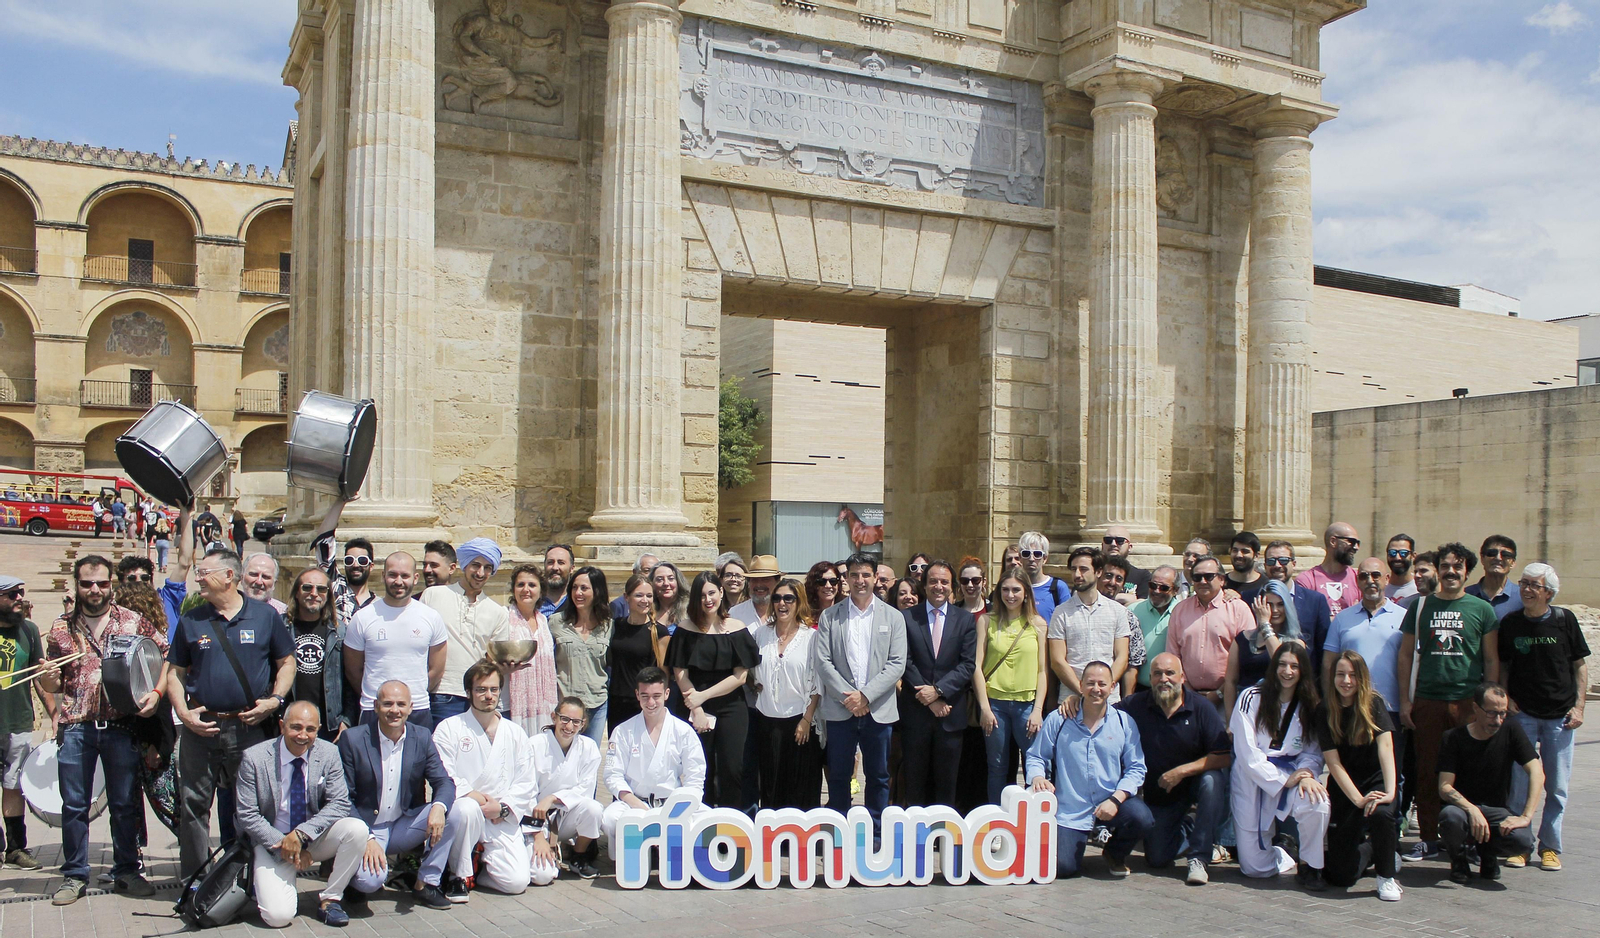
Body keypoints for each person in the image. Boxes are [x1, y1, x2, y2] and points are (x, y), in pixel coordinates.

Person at [36, 557, 166, 904]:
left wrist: (156, 692)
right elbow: (53, 683)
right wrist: (49, 678)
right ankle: (75, 874)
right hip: (76, 727)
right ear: (76, 585)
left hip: (121, 726)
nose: (95, 590)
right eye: (87, 584)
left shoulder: (133, 621)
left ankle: (127, 871)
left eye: (102, 583)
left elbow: (167, 656)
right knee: (74, 805)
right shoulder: (61, 627)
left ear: (112, 584)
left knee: (124, 804)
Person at [167, 548, 295, 881]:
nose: (198, 579)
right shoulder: (192, 619)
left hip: (249, 727)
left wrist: (275, 700)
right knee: (193, 805)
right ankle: (195, 881)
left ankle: (250, 878)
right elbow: (175, 672)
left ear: (228, 576)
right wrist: (183, 712)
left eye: (203, 572)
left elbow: (286, 662)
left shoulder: (265, 617)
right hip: (202, 727)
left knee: (252, 806)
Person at [1397, 541, 1499, 863]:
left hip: (1468, 703)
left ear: (1467, 572)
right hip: (1428, 701)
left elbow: (1491, 659)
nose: (1451, 572)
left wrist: (1489, 705)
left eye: (1457, 567)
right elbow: (1405, 655)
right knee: (1427, 771)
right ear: (1437, 571)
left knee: (1468, 774)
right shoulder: (1421, 607)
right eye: (1445, 566)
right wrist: (1405, 701)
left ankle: (1468, 841)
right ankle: (1428, 839)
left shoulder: (1481, 609)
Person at [236, 701, 368, 927]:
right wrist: (285, 846)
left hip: (312, 836)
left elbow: (339, 803)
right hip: (272, 842)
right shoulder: (254, 758)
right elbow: (247, 814)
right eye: (296, 727)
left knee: (357, 829)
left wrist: (301, 835)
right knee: (278, 917)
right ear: (282, 726)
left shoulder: (329, 753)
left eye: (310, 729)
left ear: (318, 730)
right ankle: (267, 883)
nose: (303, 735)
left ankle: (331, 899)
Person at [1497, 562, 1587, 871]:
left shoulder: (1564, 620)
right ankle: (1520, 845)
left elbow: (1579, 666)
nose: (1526, 589)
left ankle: (1550, 847)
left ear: (1549, 592)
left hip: (1560, 717)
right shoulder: (1511, 623)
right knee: (1519, 785)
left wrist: (1579, 707)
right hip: (1523, 715)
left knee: (1557, 786)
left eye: (1534, 585)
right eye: (1523, 583)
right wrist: (1506, 697)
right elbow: (1504, 665)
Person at [1025, 661, 1152, 878]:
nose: (1096, 689)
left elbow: (1136, 767)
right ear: (1081, 686)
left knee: (1142, 818)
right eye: (1090, 683)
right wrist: (1037, 776)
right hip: (1071, 808)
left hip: (1111, 801)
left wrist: (1116, 800)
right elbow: (1037, 755)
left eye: (1102, 684)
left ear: (1112, 687)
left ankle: (1114, 853)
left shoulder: (1124, 723)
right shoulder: (1059, 719)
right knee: (1064, 868)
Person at [339, 680, 457, 909]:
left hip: (404, 823)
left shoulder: (421, 736)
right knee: (370, 881)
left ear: (411, 708)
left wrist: (438, 807)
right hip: (367, 826)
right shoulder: (353, 739)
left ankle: (426, 884)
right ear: (376, 706)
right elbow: (343, 797)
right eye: (388, 704)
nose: (395, 710)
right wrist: (366, 837)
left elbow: (444, 781)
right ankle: (352, 878)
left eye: (401, 704)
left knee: (456, 812)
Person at [814, 552, 906, 834]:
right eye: (854, 575)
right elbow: (823, 662)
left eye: (866, 574)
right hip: (841, 709)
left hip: (878, 710)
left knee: (878, 775)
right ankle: (839, 831)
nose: (860, 580)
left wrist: (865, 696)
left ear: (876, 577)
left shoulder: (893, 617)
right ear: (847, 579)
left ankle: (877, 832)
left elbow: (896, 663)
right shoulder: (831, 616)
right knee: (839, 776)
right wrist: (849, 698)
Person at [1119, 654, 1230, 884]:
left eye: (1170, 673)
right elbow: (1102, 712)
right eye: (1157, 674)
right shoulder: (1136, 704)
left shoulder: (1201, 708)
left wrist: (1182, 771)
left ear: (1182, 677)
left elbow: (1223, 756)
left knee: (1212, 781)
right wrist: (1076, 701)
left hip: (1195, 787)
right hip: (1161, 797)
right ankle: (1189, 825)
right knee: (1157, 858)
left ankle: (1199, 857)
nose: (1164, 679)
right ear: (1150, 679)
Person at [1230, 642, 1329, 889]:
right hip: (1253, 777)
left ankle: (1310, 866)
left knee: (1317, 802)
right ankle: (1285, 853)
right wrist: (1282, 779)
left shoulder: (1310, 704)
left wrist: (1306, 774)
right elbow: (1247, 753)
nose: (1287, 671)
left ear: (1303, 670)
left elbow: (1312, 752)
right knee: (1254, 868)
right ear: (1274, 667)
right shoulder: (1251, 697)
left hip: (1292, 771)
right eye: (1282, 664)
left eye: (1294, 666)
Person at [434, 662, 535, 898]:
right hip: (465, 810)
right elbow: (443, 773)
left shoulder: (515, 732)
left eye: (493, 689)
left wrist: (502, 808)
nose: (488, 696)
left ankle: (480, 871)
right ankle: (458, 876)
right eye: (481, 689)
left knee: (517, 882)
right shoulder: (449, 728)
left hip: (500, 816)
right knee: (467, 810)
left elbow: (526, 781)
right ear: (468, 692)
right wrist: (476, 798)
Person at [666, 572, 759, 807]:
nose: (708, 600)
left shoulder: (737, 628)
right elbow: (680, 673)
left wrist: (703, 696)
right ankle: (699, 818)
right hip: (693, 706)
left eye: (712, 593)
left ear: (721, 592)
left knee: (732, 768)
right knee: (699, 768)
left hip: (731, 707)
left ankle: (731, 820)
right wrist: (696, 708)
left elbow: (740, 676)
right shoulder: (685, 629)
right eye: (702, 595)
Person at [1437, 682, 1542, 884]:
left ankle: (1488, 854)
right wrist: (1472, 809)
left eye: (1503, 713)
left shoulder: (1511, 730)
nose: (1498, 720)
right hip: (1462, 809)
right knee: (1450, 818)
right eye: (1492, 713)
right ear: (1476, 708)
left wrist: (1526, 817)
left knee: (1523, 841)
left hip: (1496, 810)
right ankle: (1459, 860)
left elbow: (1536, 771)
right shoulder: (1453, 738)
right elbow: (1444, 787)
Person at [1318, 651, 1401, 900]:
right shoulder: (1324, 709)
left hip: (1376, 780)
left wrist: (1390, 792)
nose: (1346, 681)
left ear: (1362, 677)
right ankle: (1374, 849)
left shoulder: (1374, 703)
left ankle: (1386, 877)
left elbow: (1386, 747)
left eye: (1352, 675)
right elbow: (1333, 763)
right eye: (1341, 674)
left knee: (1382, 814)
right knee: (1340, 876)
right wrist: (1357, 799)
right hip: (1346, 786)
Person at [897, 560, 977, 808]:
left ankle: (944, 829)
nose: (938, 586)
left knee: (946, 785)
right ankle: (915, 829)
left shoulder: (965, 620)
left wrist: (939, 691)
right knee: (914, 783)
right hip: (915, 714)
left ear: (952, 586)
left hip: (950, 714)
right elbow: (904, 661)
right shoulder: (907, 618)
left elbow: (967, 665)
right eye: (933, 581)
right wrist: (929, 698)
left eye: (944, 582)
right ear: (924, 584)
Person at [602, 666, 707, 845]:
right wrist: (636, 803)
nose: (651, 702)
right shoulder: (623, 731)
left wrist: (683, 805)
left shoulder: (683, 731)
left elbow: (695, 775)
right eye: (645, 696)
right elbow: (613, 774)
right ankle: (634, 853)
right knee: (609, 819)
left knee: (708, 821)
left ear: (667, 694)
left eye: (656, 696)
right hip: (635, 803)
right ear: (637, 695)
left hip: (673, 804)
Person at [343, 552, 448, 728]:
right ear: (383, 576)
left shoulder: (431, 617)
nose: (398, 581)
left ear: (415, 578)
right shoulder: (362, 618)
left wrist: (413, 694)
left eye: (405, 576)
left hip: (417, 708)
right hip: (373, 708)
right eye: (392, 575)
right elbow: (353, 670)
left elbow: (436, 669)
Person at [973, 567, 1048, 805]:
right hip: (995, 704)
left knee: (1034, 764)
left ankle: (1032, 816)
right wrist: (984, 708)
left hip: (1027, 704)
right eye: (1005, 589)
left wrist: (1038, 710)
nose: (1010, 595)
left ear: (1026, 593)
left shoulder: (1038, 624)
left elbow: (1042, 670)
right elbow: (977, 666)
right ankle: (997, 817)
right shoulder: (987, 621)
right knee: (997, 766)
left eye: (1016, 590)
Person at [422, 538, 512, 722]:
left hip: (475, 698)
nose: (480, 573)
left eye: (487, 568)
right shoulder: (433, 595)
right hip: (439, 693)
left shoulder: (498, 612)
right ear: (464, 565)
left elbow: (492, 661)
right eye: (476, 565)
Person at [750, 579, 822, 809]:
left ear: (799, 602)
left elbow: (818, 683)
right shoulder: (760, 634)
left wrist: (807, 719)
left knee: (800, 790)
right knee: (770, 789)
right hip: (767, 721)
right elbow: (749, 671)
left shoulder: (811, 638)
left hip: (800, 723)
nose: (782, 603)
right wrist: (754, 683)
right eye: (777, 598)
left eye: (788, 598)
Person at [0, 575, 54, 870]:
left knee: (13, 785)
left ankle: (15, 848)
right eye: (11, 594)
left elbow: (39, 677)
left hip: (18, 720)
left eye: (20, 592)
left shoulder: (29, 630)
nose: (19, 598)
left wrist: (54, 714)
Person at [527, 697, 604, 882]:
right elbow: (525, 791)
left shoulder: (589, 748)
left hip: (566, 816)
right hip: (535, 819)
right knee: (542, 876)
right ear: (554, 717)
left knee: (594, 809)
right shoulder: (534, 745)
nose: (569, 726)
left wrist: (552, 799)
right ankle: (540, 846)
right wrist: (538, 836)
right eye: (565, 719)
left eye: (576, 722)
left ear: (583, 724)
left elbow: (585, 790)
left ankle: (578, 855)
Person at [1323, 558, 1407, 719]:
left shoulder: (1403, 617)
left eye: (1376, 575)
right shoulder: (1342, 619)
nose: (1370, 581)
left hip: (1391, 708)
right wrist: (1330, 703)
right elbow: (1328, 664)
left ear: (1387, 579)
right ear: (1357, 581)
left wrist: (1406, 703)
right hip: (1350, 707)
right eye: (1364, 576)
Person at [1048, 548, 1130, 706]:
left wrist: (1103, 690)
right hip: (1071, 701)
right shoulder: (1061, 612)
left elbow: (1122, 657)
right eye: (1074, 569)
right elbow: (1057, 661)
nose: (1077, 575)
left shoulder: (1117, 611)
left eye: (1083, 569)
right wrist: (1083, 692)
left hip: (1109, 700)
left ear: (1098, 572)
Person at [1166, 556, 1252, 706]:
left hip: (1229, 698)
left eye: (1208, 576)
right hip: (1187, 698)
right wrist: (1188, 691)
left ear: (1221, 579)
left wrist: (1219, 693)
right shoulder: (1179, 610)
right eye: (1197, 577)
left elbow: (1247, 657)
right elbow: (1173, 655)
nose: (1203, 581)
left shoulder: (1239, 609)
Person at [287, 566, 357, 740]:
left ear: (328, 595)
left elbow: (350, 679)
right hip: (291, 722)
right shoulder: (281, 627)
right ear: (296, 593)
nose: (314, 593)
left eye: (321, 589)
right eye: (307, 587)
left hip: (329, 724)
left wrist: (347, 720)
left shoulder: (340, 631)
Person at [550, 565, 612, 743]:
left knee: (590, 754)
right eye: (575, 587)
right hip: (566, 705)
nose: (578, 593)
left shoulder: (608, 625)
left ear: (597, 591)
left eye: (584, 588)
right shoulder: (556, 622)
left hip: (597, 703)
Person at [1222, 579, 1294, 718]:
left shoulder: (1294, 641)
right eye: (1269, 605)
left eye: (1280, 604)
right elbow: (1230, 681)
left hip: (1279, 709)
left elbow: (1279, 659)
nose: (1275, 610)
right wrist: (1230, 718)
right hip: (1246, 709)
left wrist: (1265, 624)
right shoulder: (1242, 639)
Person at [608, 573, 671, 730]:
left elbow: (664, 672)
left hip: (644, 702)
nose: (645, 600)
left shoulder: (659, 632)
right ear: (626, 597)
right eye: (639, 595)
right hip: (617, 701)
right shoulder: (617, 625)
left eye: (649, 596)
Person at [1263, 540, 1334, 674]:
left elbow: (1323, 649)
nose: (1277, 565)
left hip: (1304, 680)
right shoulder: (1251, 598)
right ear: (1265, 565)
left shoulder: (1315, 601)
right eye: (1271, 561)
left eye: (1283, 560)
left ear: (1294, 564)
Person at [505, 564, 559, 736]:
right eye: (520, 584)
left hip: (543, 705)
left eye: (532, 585)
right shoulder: (504, 618)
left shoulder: (543, 621)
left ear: (541, 591)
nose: (526, 589)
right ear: (513, 589)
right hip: (513, 705)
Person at [1098, 557, 1147, 698]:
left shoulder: (1128, 617)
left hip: (1112, 697)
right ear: (1098, 574)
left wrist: (1126, 701)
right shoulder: (1076, 611)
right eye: (1108, 576)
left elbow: (1133, 663)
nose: (1112, 582)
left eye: (1118, 579)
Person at [1130, 565, 1180, 692]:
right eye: (1153, 585)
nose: (1157, 591)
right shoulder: (1132, 611)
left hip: (1172, 689)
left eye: (1164, 588)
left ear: (1176, 590)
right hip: (1138, 690)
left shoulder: (1183, 612)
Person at [1297, 522, 1362, 616]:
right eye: (1351, 542)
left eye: (1358, 543)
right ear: (1333, 542)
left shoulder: (1358, 578)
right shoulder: (1307, 580)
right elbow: (1304, 617)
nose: (1356, 547)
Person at [1466, 535, 1523, 620]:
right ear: (1482, 558)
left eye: (1505, 554)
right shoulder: (1466, 595)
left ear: (1513, 563)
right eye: (1492, 553)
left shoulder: (1523, 597)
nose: (1498, 558)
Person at [1017, 531, 1071, 620]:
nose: (1031, 559)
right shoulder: (1013, 587)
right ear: (1020, 557)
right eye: (1026, 554)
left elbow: (1068, 621)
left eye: (1037, 554)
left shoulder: (1058, 587)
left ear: (1045, 558)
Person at [727, 554, 781, 629]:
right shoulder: (735, 613)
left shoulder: (785, 612)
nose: (759, 585)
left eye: (765, 580)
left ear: (777, 582)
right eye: (754, 580)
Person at [1100, 525, 1151, 600]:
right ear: (1102, 545)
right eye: (1108, 540)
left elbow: (1143, 603)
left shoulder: (1142, 576)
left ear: (1129, 547)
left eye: (1120, 541)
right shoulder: (1093, 571)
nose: (1113, 544)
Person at [609, 554, 658, 618]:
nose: (652, 575)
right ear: (635, 572)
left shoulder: (663, 601)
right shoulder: (619, 605)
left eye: (655, 571)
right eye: (647, 571)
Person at [1225, 531, 1266, 604]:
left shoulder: (1265, 585)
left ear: (1256, 556)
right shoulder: (1220, 583)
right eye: (1235, 550)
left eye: (1245, 551)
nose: (1239, 555)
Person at [537, 544, 574, 619]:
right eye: (550, 562)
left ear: (571, 569)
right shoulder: (533, 602)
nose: (555, 568)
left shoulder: (577, 601)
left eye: (561, 563)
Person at [651, 561, 689, 630]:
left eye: (670, 579)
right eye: (660, 579)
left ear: (678, 582)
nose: (666, 583)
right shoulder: (647, 610)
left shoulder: (690, 609)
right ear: (652, 584)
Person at [1384, 534, 1419, 603]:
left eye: (1403, 553)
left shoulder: (1420, 587)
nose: (1397, 558)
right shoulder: (1380, 588)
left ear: (1413, 556)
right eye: (1392, 553)